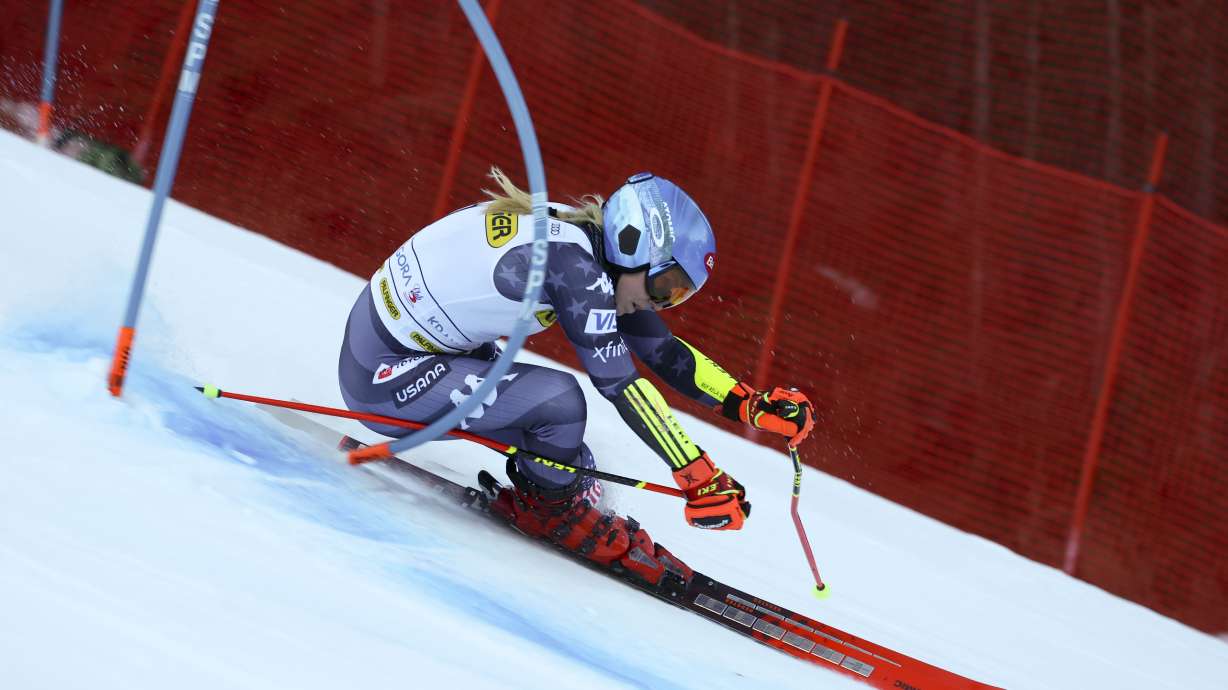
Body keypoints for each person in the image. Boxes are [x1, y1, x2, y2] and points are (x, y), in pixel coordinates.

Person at [337, 168, 814, 584]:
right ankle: (552, 516)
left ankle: (550, 499)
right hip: (385, 378)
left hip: (401, 355)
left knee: (572, 462)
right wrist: (698, 475)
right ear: (633, 245)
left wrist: (749, 403)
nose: (664, 303)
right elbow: (620, 383)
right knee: (559, 404)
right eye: (666, 286)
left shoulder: (583, 240)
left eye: (677, 295)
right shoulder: (575, 269)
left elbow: (660, 347)